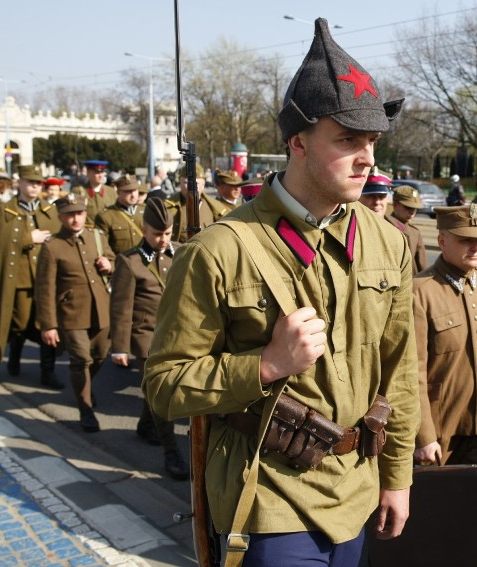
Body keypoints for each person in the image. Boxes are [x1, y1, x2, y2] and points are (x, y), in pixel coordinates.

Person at [142, 18, 419, 566]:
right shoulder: (219, 249)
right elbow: (164, 387)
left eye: (372, 141)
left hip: (358, 489)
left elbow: (401, 369)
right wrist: (265, 365)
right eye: (347, 140)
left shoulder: (388, 242)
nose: (368, 158)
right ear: (297, 141)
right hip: (269, 496)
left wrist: (398, 476)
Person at [412, 204, 477, 469]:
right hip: (441, 427)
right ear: (442, 241)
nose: (476, 246)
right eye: (466, 240)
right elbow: (413, 372)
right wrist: (423, 434)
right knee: (437, 506)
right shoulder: (420, 291)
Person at [109, 198, 187, 480]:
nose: (163, 240)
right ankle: (171, 452)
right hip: (146, 338)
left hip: (176, 335)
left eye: (167, 233)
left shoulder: (179, 253)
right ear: (144, 230)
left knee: (152, 390)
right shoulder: (129, 262)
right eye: (157, 234)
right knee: (161, 394)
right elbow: (121, 308)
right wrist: (119, 347)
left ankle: (146, 425)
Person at [36, 194, 114, 432]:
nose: (76, 219)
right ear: (60, 217)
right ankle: (86, 409)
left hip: (102, 310)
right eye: (70, 214)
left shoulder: (97, 238)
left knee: (100, 355)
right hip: (72, 314)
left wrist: (110, 265)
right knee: (81, 360)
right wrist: (48, 325)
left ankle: (83, 387)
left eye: (79, 213)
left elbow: (114, 261)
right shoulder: (52, 246)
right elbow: (44, 288)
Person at [0, 164, 63, 389]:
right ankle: (14, 357)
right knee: (20, 323)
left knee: (47, 323)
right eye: (30, 182)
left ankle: (47, 371)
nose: (34, 186)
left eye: (37, 183)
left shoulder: (49, 211)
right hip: (20, 280)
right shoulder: (3, 212)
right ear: (19, 183)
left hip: (46, 281)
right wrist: (27, 238)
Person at [164, 162, 226, 242]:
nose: (190, 187)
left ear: (203, 185)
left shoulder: (215, 208)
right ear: (180, 183)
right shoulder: (168, 207)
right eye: (186, 183)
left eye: (196, 183)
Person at [94, 174, 145, 255]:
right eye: (128, 191)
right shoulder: (106, 216)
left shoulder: (147, 210)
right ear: (118, 192)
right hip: (121, 264)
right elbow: (102, 247)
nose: (133, 195)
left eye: (135, 190)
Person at [387, 185, 429, 275]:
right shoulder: (386, 226)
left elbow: (422, 267)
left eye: (415, 208)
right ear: (395, 204)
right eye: (408, 207)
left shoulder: (415, 232)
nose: (412, 212)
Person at [70, 160, 116, 226]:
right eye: (97, 172)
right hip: (88, 232)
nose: (100, 176)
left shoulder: (111, 192)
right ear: (88, 173)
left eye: (102, 172)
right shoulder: (78, 191)